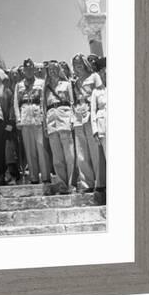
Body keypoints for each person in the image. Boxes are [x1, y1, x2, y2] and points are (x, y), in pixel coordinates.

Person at [14, 58, 49, 184]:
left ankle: (45, 176)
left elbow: (43, 101)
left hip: (38, 117)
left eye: (30, 69)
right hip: (25, 119)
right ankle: (33, 177)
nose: (28, 71)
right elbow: (16, 104)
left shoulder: (41, 83)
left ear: (34, 69)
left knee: (41, 148)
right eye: (26, 69)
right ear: (23, 71)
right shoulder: (19, 85)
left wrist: (44, 117)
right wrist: (18, 119)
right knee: (29, 150)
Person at [42, 60, 76, 194]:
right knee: (57, 157)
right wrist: (45, 125)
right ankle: (62, 184)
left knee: (69, 154)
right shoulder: (46, 88)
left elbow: (72, 102)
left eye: (55, 69)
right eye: (50, 70)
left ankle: (71, 183)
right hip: (51, 121)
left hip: (64, 118)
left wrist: (72, 119)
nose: (53, 71)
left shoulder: (67, 85)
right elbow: (43, 107)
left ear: (59, 70)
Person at [72, 53, 104, 192]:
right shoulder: (75, 82)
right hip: (79, 115)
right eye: (75, 64)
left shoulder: (94, 77)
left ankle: (101, 183)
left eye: (80, 63)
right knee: (81, 152)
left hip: (91, 114)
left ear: (85, 63)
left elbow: (101, 94)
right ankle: (87, 184)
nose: (78, 66)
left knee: (95, 150)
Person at [90, 57, 107, 193]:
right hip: (103, 128)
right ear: (100, 73)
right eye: (103, 71)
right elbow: (93, 111)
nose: (105, 73)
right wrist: (95, 130)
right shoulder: (97, 91)